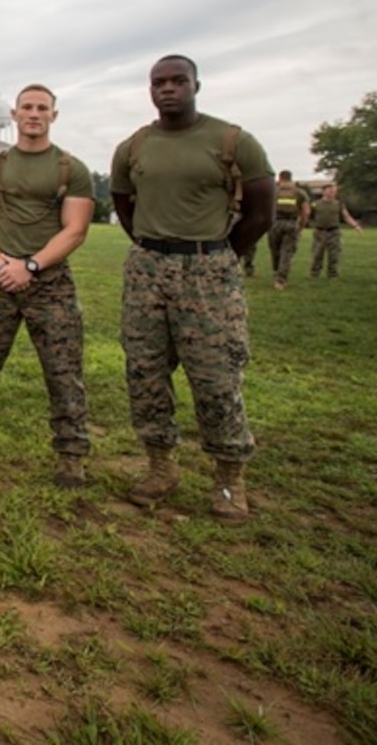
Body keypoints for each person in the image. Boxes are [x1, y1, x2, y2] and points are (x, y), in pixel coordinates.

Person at [110, 55, 274, 523]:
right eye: (158, 82)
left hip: (208, 273)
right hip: (147, 270)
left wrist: (218, 255)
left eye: (177, 81)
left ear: (196, 84)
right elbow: (124, 205)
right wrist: (152, 245)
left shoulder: (232, 141)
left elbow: (262, 214)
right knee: (144, 371)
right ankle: (160, 466)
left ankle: (228, 478)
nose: (168, 89)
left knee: (216, 377)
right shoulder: (133, 147)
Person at [0, 84, 94, 489]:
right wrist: (0, 265)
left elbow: (76, 230)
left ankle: (71, 452)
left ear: (53, 116)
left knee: (63, 371)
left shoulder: (70, 168)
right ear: (13, 114)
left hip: (51, 284)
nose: (33, 114)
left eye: (42, 108)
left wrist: (31, 265)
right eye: (26, 107)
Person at [308, 183, 363, 279]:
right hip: (319, 232)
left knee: (334, 255)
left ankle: (333, 275)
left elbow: (346, 216)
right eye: (330, 191)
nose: (332, 193)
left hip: (334, 232)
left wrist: (355, 226)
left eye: (334, 191)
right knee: (317, 254)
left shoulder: (339, 204)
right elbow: (307, 214)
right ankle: (314, 274)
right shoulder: (315, 204)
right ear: (324, 191)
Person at [267, 170, 310, 290]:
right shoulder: (300, 192)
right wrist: (301, 226)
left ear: (280, 178)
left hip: (275, 224)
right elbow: (306, 212)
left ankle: (276, 272)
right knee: (287, 252)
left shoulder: (273, 191)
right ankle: (281, 280)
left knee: (275, 251)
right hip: (291, 224)